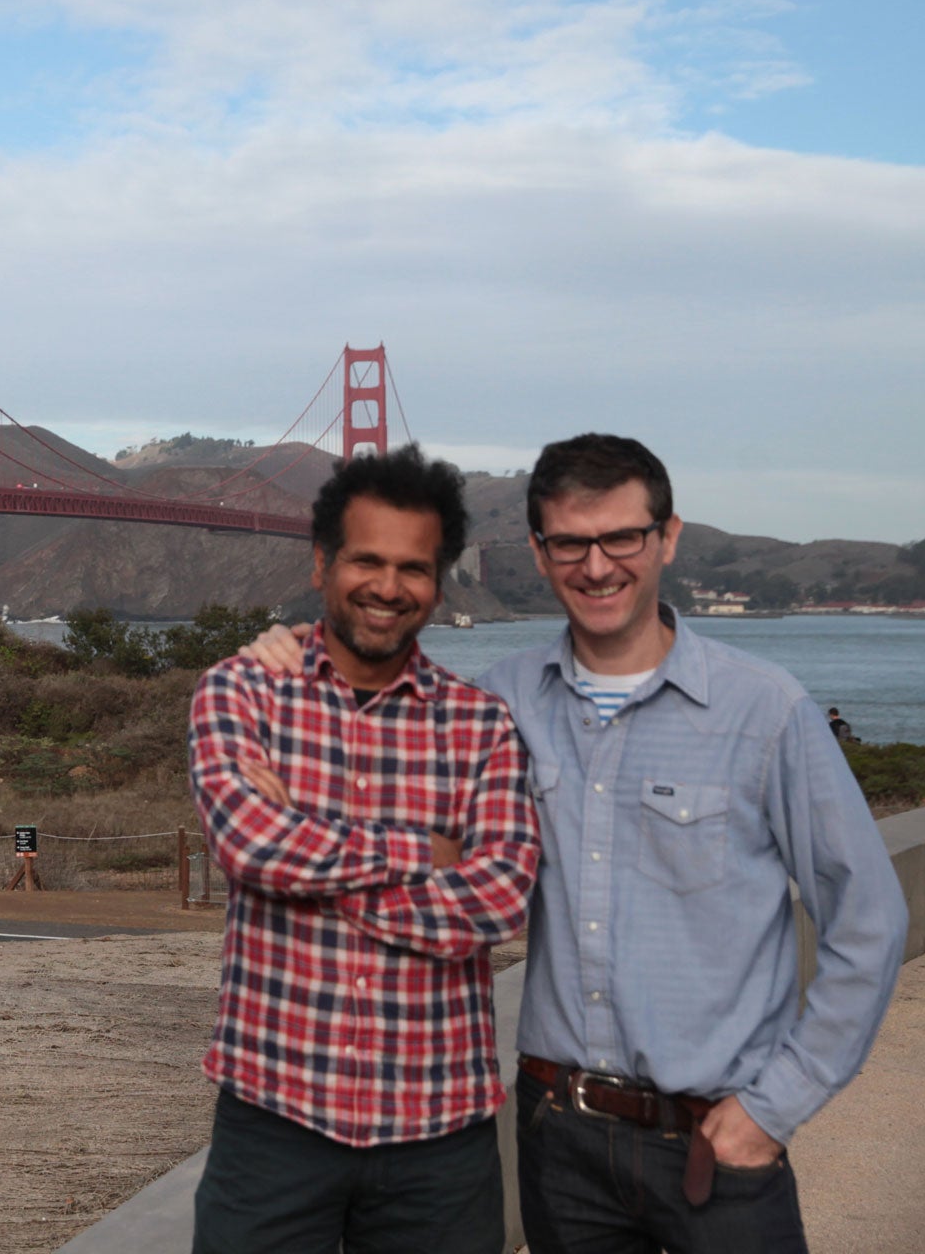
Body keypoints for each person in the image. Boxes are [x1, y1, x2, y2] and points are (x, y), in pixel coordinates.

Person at [242, 434, 906, 1252]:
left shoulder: (765, 711)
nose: (597, 566)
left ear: (668, 537)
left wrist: (775, 1108)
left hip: (716, 1145)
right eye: (570, 543)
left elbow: (869, 919)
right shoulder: (496, 703)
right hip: (560, 1143)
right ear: (539, 550)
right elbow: (381, 781)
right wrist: (289, 660)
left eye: (622, 537)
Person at [189, 444, 539, 1254]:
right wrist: (426, 853)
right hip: (272, 1124)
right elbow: (249, 849)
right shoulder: (240, 691)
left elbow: (496, 901)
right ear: (321, 564)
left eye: (412, 567)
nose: (388, 586)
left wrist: (303, 855)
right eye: (366, 560)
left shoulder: (481, 725)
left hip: (439, 1139)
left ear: (439, 582)